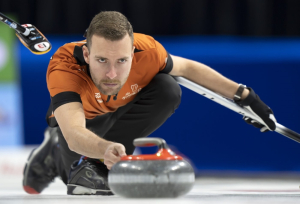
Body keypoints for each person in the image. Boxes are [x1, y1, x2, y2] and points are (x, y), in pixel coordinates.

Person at [22, 11, 276, 195]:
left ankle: (95, 164)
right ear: (87, 54)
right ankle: (53, 155)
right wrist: (106, 149)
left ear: (133, 53)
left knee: (168, 87)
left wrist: (245, 96)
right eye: (101, 61)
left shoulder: (148, 51)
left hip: (120, 113)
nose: (112, 74)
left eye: (121, 61)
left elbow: (187, 68)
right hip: (83, 126)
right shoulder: (64, 68)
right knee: (76, 177)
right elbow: (76, 134)